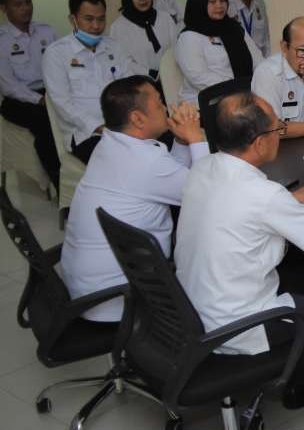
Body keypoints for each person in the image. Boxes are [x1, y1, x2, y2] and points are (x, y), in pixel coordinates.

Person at [174, 92, 304, 405]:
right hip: (240, 327)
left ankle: (300, 364)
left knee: (303, 272)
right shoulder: (263, 195)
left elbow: (232, 206)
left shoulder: (203, 167)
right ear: (259, 143)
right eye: (278, 128)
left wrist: (288, 202)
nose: (280, 132)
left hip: (194, 311)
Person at [60, 76, 207, 322]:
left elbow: (170, 176)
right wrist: (196, 139)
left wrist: (181, 141)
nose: (167, 107)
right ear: (137, 118)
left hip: (89, 289)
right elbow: (210, 194)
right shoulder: (146, 163)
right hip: (119, 299)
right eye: (160, 103)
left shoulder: (110, 145)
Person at [42, 0, 144, 164]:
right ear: (72, 19)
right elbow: (62, 103)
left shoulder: (114, 47)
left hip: (123, 126)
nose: (96, 26)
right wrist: (98, 127)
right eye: (89, 19)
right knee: (124, 160)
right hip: (86, 134)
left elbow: (130, 88)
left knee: (163, 142)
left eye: (101, 19)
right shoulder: (56, 53)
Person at [0, 0, 60, 187]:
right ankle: (61, 186)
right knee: (46, 124)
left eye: (28, 2)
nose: (25, 8)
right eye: (18, 4)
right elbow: (8, 86)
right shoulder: (2, 41)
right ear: (3, 8)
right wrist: (39, 100)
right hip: (18, 99)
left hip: (49, 91)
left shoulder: (46, 31)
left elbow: (59, 67)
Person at [174, 0, 263, 103]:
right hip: (206, 102)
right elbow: (199, 77)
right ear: (199, 4)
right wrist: (236, 87)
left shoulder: (235, 29)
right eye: (212, 1)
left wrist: (263, 82)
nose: (219, 5)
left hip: (243, 95)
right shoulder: (189, 37)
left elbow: (258, 60)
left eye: (222, 0)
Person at [108, 0, 178, 79]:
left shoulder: (165, 18)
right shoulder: (118, 27)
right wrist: (150, 73)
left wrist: (168, 72)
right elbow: (123, 62)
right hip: (140, 84)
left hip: (171, 80)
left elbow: (175, 49)